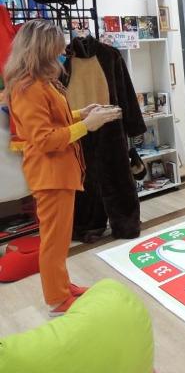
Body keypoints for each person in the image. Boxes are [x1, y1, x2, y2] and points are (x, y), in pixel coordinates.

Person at [3, 19, 122, 315]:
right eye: (57, 49)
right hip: (50, 174)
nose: (62, 54)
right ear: (42, 50)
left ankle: (63, 286)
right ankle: (57, 299)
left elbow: (55, 118)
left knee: (59, 239)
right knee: (54, 241)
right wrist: (86, 125)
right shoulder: (27, 88)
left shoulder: (41, 83)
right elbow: (44, 139)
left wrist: (83, 113)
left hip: (61, 172)